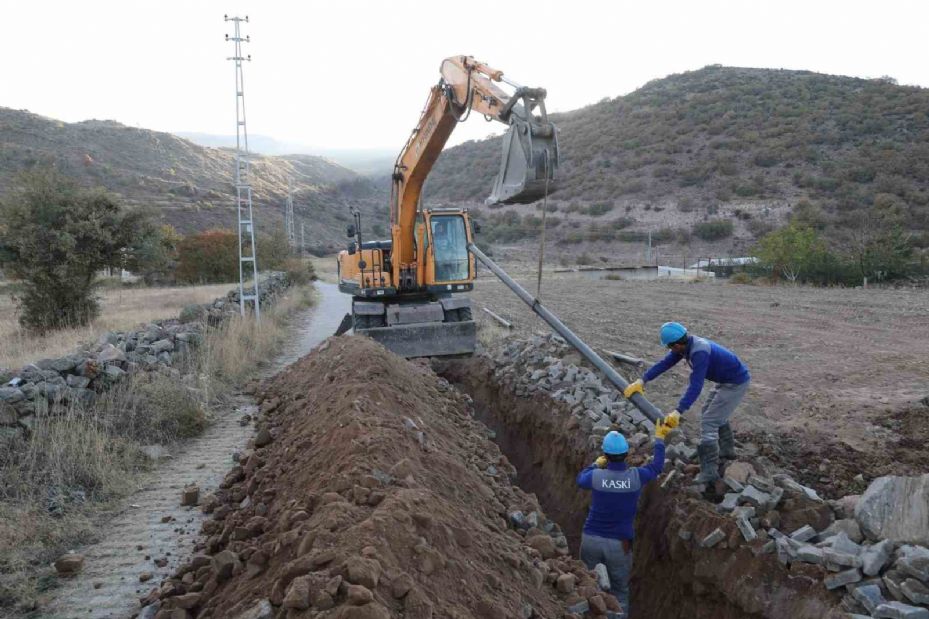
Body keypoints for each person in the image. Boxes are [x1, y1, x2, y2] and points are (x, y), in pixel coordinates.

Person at [623, 321, 750, 483]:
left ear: (676, 345)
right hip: (725, 380)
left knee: (710, 421)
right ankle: (727, 451)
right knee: (710, 413)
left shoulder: (699, 352)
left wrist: (678, 411)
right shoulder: (685, 346)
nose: (670, 350)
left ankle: (709, 471)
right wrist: (642, 380)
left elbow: (696, 385)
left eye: (669, 347)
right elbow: (665, 364)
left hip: (735, 383)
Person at [576, 423, 668, 616]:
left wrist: (596, 464)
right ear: (626, 454)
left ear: (606, 455)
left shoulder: (596, 476)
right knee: (619, 592)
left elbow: (580, 479)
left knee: (588, 585)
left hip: (591, 538)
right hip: (619, 544)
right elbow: (657, 467)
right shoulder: (636, 476)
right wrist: (659, 440)